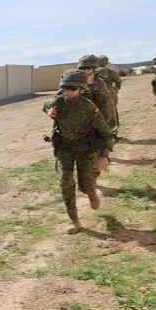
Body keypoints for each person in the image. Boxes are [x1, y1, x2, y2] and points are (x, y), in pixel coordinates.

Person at [43, 69, 114, 234]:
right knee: (65, 181)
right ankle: (75, 222)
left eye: (73, 89)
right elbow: (47, 104)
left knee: (84, 185)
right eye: (66, 88)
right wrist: (48, 110)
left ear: (81, 88)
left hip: (85, 150)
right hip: (64, 147)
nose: (68, 92)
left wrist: (103, 156)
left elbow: (106, 134)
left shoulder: (90, 108)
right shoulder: (59, 102)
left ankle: (91, 193)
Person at [77, 55, 117, 128]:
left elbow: (108, 105)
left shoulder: (101, 83)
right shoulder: (74, 81)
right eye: (82, 68)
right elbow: (59, 97)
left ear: (95, 68)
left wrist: (110, 123)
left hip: (100, 122)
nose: (85, 71)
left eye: (88, 68)